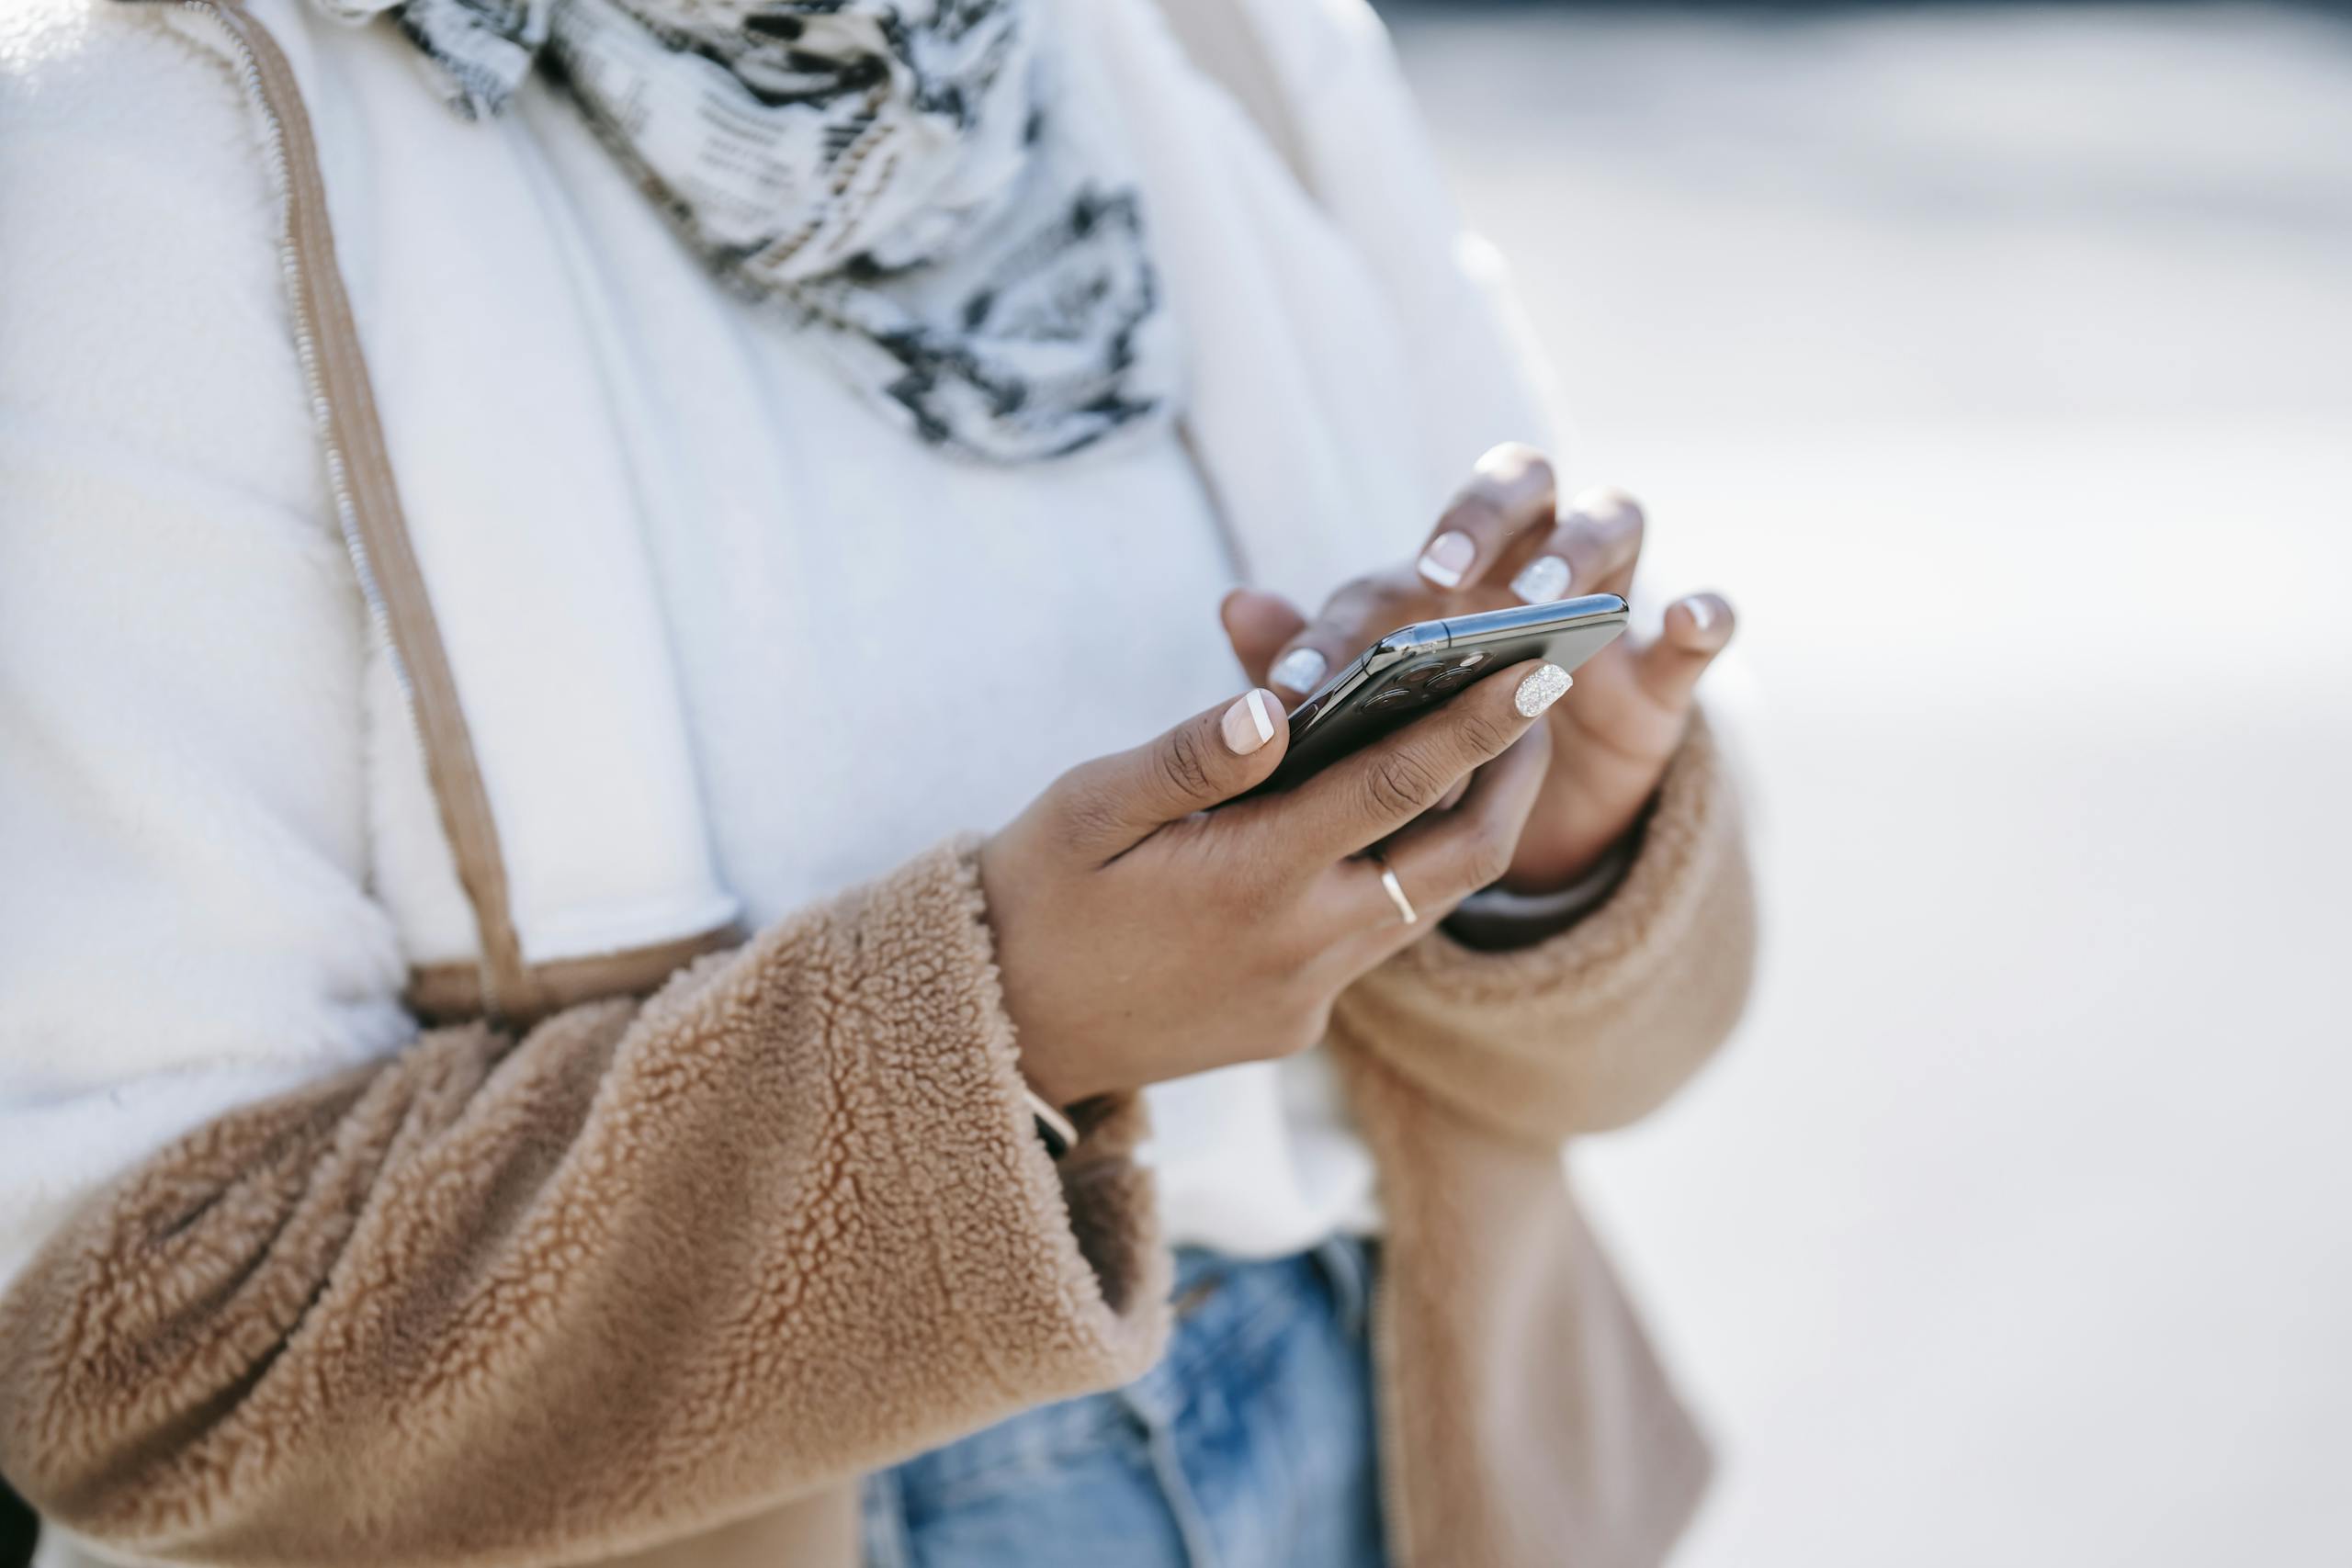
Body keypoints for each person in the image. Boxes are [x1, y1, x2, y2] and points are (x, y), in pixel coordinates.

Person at [0, 0, 1756, 1564]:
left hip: (1387, 1440)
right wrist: (1010, 1032)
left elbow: (1633, 1051)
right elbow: (138, 1353)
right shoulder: (133, 153)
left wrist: (1541, 859)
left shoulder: (1207, 38)